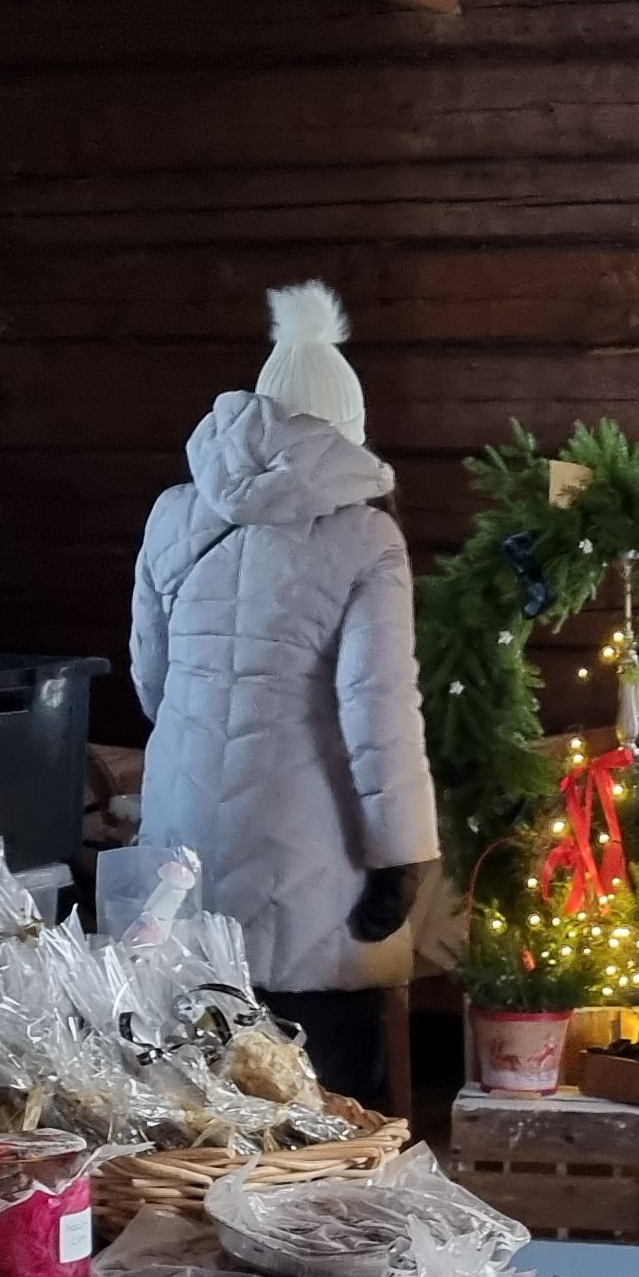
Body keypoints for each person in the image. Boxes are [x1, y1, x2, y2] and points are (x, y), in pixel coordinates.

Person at [131, 284, 437, 1107]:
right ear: (350, 429)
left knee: (193, 1081)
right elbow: (378, 710)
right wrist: (402, 855)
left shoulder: (172, 516)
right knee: (317, 1094)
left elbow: (151, 683)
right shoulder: (367, 537)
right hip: (310, 845)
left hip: (182, 830)